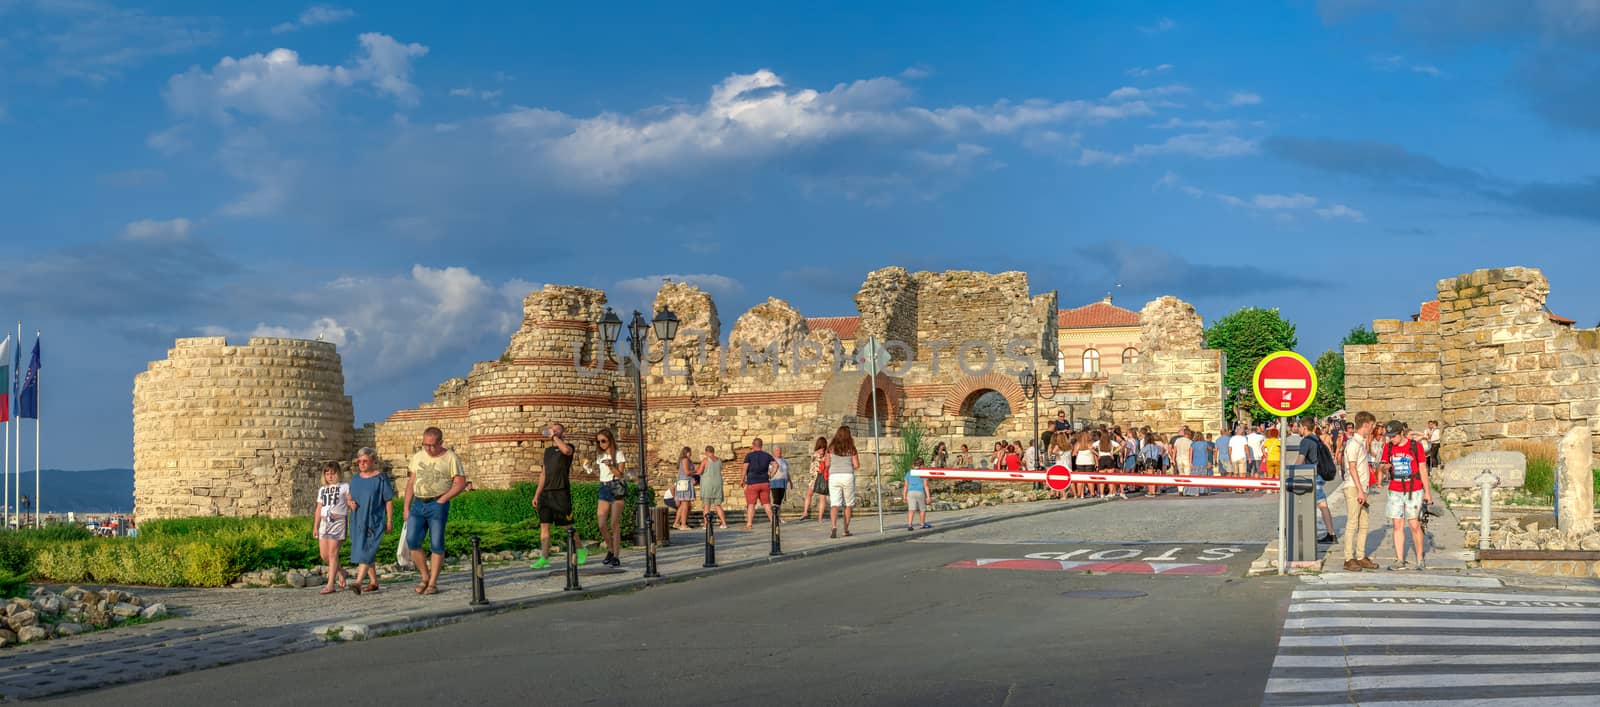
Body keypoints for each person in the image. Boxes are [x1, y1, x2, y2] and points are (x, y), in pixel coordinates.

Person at [405, 426, 468, 595]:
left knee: (436, 544)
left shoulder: (451, 458)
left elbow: (460, 482)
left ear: (441, 442)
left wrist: (443, 499)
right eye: (425, 445)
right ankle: (425, 576)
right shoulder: (418, 456)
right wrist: (406, 507)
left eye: (432, 445)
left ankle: (432, 583)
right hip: (418, 504)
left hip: (437, 504)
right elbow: (411, 482)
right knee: (412, 541)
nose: (429, 449)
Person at [531, 423, 587, 570]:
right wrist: (537, 494)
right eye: (552, 429)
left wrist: (555, 437)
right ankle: (544, 558)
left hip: (560, 492)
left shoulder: (568, 446)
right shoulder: (548, 451)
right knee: (544, 526)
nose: (553, 431)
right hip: (546, 494)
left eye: (557, 430)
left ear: (563, 433)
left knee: (566, 526)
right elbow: (543, 473)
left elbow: (565, 450)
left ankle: (581, 550)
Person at [1381, 420, 1432, 570]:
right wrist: (1385, 467)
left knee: (1414, 524)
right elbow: (1382, 465)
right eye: (1389, 436)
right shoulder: (1388, 447)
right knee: (1397, 525)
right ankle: (1399, 560)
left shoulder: (1415, 446)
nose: (1391, 439)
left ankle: (1420, 558)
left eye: (1393, 436)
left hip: (1413, 489)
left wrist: (1427, 492)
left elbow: (1423, 469)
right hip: (1395, 489)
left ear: (1401, 433)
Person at [347, 447, 394, 593]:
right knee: (364, 549)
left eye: (365, 461)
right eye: (359, 461)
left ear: (373, 461)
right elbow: (349, 495)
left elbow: (388, 500)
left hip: (374, 520)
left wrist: (389, 521)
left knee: (367, 549)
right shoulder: (355, 479)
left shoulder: (380, 478)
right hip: (357, 520)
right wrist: (350, 502)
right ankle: (373, 582)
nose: (361, 464)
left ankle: (358, 582)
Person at [1341, 412, 1380, 571]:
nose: (1372, 428)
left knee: (1363, 524)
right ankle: (1348, 557)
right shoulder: (1353, 444)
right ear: (1366, 424)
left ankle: (1360, 555)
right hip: (1354, 487)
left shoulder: (1362, 443)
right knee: (1352, 523)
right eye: (1371, 425)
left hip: (1362, 488)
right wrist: (1359, 490)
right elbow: (1352, 467)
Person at [314, 462, 357, 595]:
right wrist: (315, 526)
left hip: (338, 522)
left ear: (338, 473)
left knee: (333, 554)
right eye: (327, 474)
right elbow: (319, 508)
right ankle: (341, 571)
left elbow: (349, 499)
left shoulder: (344, 486)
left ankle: (330, 584)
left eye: (332, 473)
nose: (330, 476)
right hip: (324, 523)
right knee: (324, 555)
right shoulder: (322, 489)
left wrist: (351, 503)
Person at [1296, 420, 1337, 543]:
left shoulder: (1305, 441)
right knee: (1322, 505)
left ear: (1304, 427)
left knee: (1305, 505)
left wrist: (1291, 471)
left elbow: (1300, 460)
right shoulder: (1317, 439)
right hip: (1319, 475)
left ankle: (1305, 533)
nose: (1298, 430)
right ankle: (1331, 534)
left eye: (1299, 427)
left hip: (1311, 476)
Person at [593, 428, 628, 568]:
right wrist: (590, 470)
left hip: (616, 488)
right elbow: (601, 474)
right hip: (603, 488)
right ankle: (610, 549)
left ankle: (616, 556)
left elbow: (620, 475)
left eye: (603, 441)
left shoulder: (618, 454)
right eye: (598, 441)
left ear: (610, 440)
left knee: (614, 524)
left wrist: (611, 465)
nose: (601, 444)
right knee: (601, 524)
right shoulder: (600, 456)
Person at [827, 426, 861, 538]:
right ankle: (845, 529)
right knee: (848, 504)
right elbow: (856, 465)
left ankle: (833, 526)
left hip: (834, 476)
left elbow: (827, 464)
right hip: (847, 476)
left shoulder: (831, 448)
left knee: (834, 504)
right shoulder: (851, 448)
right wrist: (848, 466)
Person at [741, 438, 776, 529]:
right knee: (767, 504)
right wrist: (771, 475)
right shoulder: (767, 455)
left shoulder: (749, 456)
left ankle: (749, 524)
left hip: (753, 483)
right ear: (761, 445)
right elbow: (776, 465)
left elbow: (745, 469)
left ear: (753, 445)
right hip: (765, 482)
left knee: (751, 504)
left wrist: (742, 480)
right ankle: (773, 522)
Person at [800, 436, 830, 522]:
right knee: (822, 498)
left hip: (814, 478)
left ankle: (805, 512)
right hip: (822, 477)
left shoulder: (815, 453)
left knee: (808, 495)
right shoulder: (826, 454)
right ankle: (820, 518)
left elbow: (812, 467)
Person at [698, 446, 728, 529]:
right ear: (713, 451)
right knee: (718, 505)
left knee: (706, 505)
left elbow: (700, 472)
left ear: (706, 452)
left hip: (707, 484)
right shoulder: (719, 460)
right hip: (718, 483)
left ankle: (706, 524)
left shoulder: (705, 460)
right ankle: (724, 523)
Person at [672, 446, 696, 531]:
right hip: (685, 484)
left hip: (685, 483)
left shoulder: (685, 460)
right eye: (690, 452)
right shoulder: (685, 460)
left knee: (683, 504)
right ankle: (683, 524)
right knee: (685, 504)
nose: (691, 454)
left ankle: (676, 522)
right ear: (686, 452)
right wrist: (696, 471)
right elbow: (686, 472)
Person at [904, 464, 931, 530]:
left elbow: (905, 485)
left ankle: (910, 525)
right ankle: (922, 524)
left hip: (910, 493)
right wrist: (928, 497)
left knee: (911, 510)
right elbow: (925, 486)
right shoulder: (923, 473)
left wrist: (904, 496)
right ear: (921, 465)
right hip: (920, 492)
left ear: (913, 465)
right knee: (922, 509)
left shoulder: (909, 473)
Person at [1188, 432, 1214, 496]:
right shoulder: (1205, 444)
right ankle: (1204, 491)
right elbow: (1211, 449)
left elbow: (1190, 454)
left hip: (1195, 463)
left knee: (1195, 478)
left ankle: (1196, 492)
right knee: (1203, 477)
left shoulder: (1193, 444)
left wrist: (1190, 463)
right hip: (1204, 462)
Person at [770, 445, 791, 516]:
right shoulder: (771, 460)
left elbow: (787, 471)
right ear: (774, 452)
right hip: (775, 482)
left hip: (783, 482)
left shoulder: (784, 460)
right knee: (776, 499)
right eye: (777, 450)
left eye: (780, 450)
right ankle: (774, 516)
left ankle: (778, 516)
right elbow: (768, 471)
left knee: (780, 501)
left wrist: (790, 481)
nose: (779, 452)